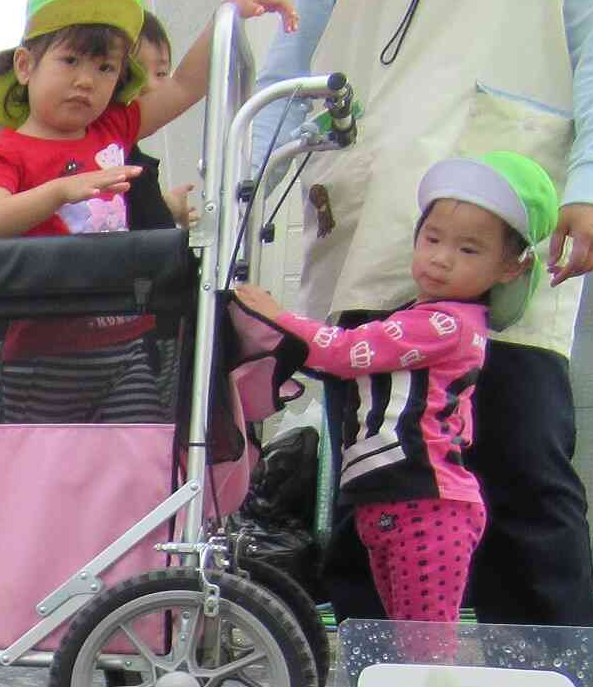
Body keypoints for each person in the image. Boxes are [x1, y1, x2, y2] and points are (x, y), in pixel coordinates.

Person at [254, 0, 593, 629]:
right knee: (375, 479)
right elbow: (290, 71)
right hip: (372, 229)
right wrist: (241, 195)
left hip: (499, 225)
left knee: (522, 471)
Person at [233, 151, 557, 626]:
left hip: (428, 505)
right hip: (387, 501)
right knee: (402, 631)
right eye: (432, 238)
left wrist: (277, 317)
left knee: (423, 641)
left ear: (510, 267)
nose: (441, 258)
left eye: (469, 250)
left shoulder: (446, 324)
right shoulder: (416, 316)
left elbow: (345, 353)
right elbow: (349, 367)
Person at [0, 0, 297, 421]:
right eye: (70, 60)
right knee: (49, 475)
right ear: (25, 66)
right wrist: (60, 191)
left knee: (135, 462)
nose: (86, 80)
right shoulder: (3, 153)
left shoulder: (112, 128)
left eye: (105, 69)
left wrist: (226, 15)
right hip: (43, 355)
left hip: (125, 345)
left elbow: (183, 86)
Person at [126, 14, 196, 233]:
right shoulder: (121, 169)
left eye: (161, 73)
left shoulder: (136, 169)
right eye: (133, 71)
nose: (148, 86)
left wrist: (168, 206)